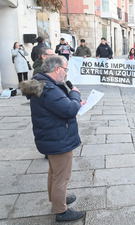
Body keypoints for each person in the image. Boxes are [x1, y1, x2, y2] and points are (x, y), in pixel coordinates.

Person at [20, 55, 85, 222]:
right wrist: (75, 96)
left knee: (54, 172)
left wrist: (74, 102)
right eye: (65, 70)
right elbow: (69, 110)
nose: (66, 74)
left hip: (52, 136)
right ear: (57, 69)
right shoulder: (49, 89)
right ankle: (61, 211)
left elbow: (64, 106)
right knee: (61, 176)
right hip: (57, 138)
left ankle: (56, 199)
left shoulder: (45, 84)